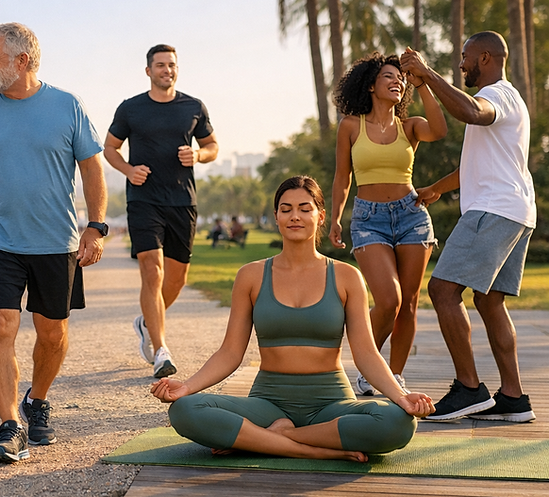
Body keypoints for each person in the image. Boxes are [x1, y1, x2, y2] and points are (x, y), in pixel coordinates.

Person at [152, 176, 435, 460]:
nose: (295, 216)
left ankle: (273, 438)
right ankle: (320, 451)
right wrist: (186, 387)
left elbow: (366, 353)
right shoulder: (250, 276)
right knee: (185, 410)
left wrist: (400, 397)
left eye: (304, 208)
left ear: (320, 215)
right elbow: (230, 352)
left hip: (331, 404)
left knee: (398, 422)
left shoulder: (347, 277)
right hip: (268, 404)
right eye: (286, 209)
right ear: (276, 217)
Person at [0, 22, 108, 463]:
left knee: (52, 333)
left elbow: (92, 168)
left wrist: (96, 226)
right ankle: (9, 424)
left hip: (55, 241)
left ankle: (37, 400)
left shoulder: (66, 105)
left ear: (22, 61)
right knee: (0, 325)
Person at [402, 32, 537, 422]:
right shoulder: (507, 102)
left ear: (484, 58)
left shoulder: (498, 96)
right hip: (515, 210)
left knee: (443, 289)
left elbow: (472, 112)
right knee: (489, 300)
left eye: (464, 58)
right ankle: (513, 398)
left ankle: (468, 389)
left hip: (494, 210)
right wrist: (435, 189)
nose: (460, 64)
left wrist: (427, 74)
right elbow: (477, 166)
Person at [329, 52, 447, 397]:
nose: (397, 82)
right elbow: (342, 177)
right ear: (370, 86)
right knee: (389, 299)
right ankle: (370, 364)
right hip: (369, 219)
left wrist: (423, 82)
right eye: (388, 77)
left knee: (409, 302)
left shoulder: (410, 126)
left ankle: (393, 375)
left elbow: (439, 131)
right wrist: (335, 216)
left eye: (401, 78)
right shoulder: (351, 125)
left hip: (411, 216)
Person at [104, 45, 217, 378]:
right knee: (152, 270)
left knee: (177, 278)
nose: (167, 70)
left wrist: (198, 156)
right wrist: (127, 170)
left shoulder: (192, 107)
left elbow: (212, 146)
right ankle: (160, 349)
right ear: (148, 71)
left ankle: (146, 321)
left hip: (183, 201)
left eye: (172, 65)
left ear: (177, 70)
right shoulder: (131, 109)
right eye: (160, 65)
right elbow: (110, 148)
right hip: (144, 200)